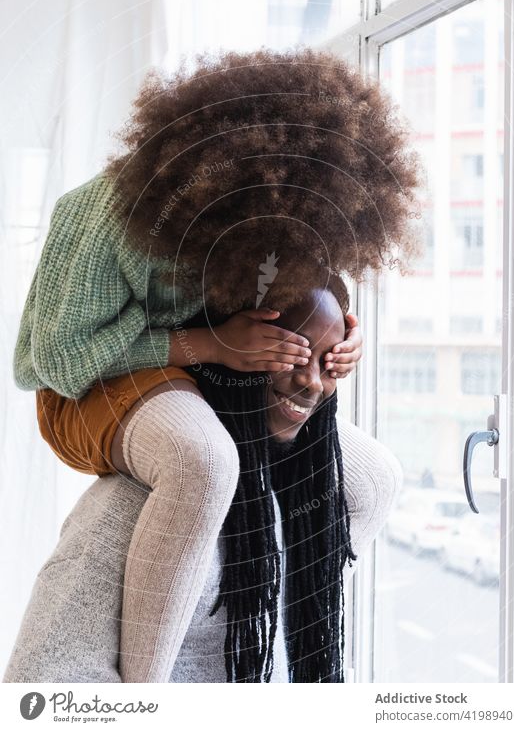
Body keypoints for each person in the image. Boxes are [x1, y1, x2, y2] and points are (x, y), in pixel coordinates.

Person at [11, 46, 423, 682]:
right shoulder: (102, 215)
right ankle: (145, 694)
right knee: (202, 461)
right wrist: (209, 346)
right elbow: (60, 361)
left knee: (374, 478)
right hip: (87, 382)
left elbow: (301, 298)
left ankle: (294, 650)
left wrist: (338, 337)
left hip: (204, 368)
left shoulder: (268, 218)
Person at [4, 279, 403, 684]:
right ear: (236, 346)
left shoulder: (307, 508)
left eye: (328, 360)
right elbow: (40, 689)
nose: (313, 383)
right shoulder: (128, 510)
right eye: (290, 352)